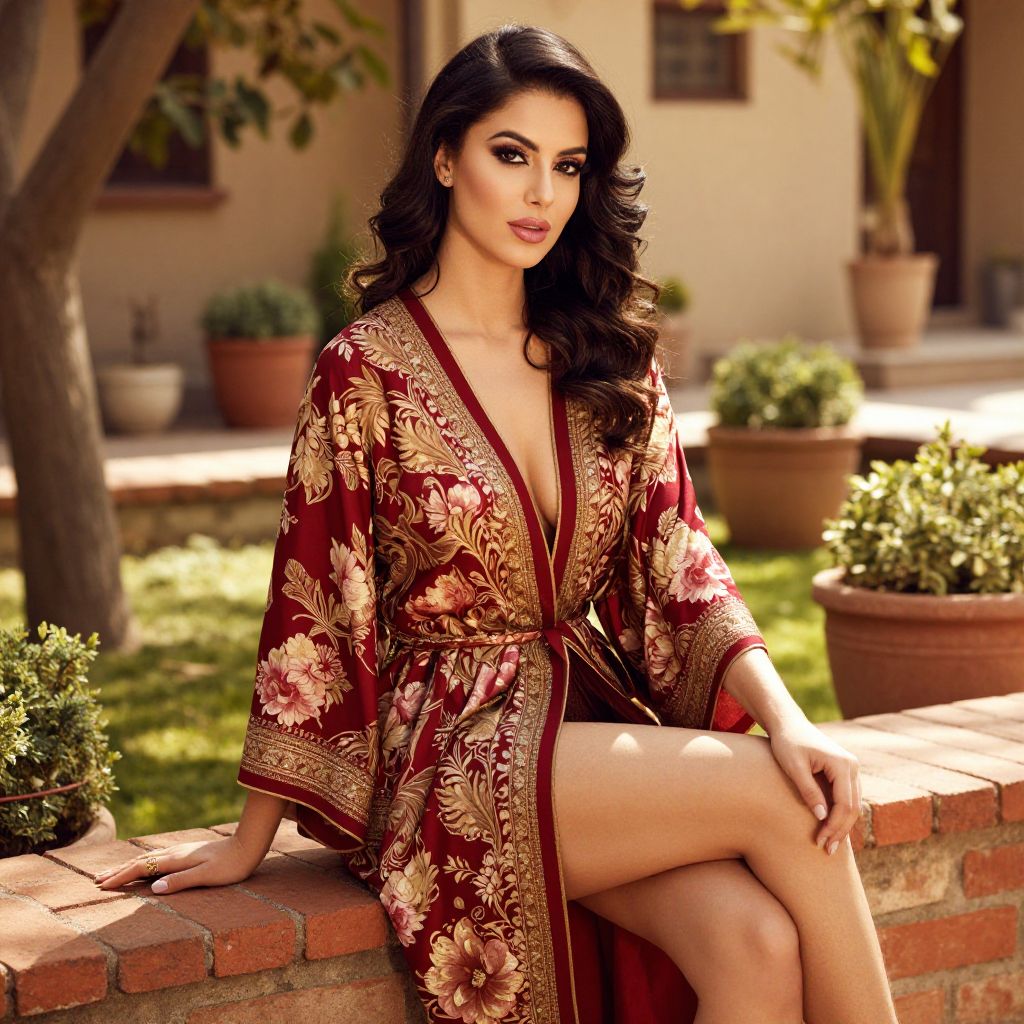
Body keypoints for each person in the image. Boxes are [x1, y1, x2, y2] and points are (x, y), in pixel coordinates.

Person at [93, 24, 900, 1024]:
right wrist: (249, 839)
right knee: (788, 801)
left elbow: (679, 556)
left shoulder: (603, 351)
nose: (540, 195)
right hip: (445, 744)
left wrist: (786, 716)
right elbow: (315, 600)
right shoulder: (366, 368)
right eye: (510, 155)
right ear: (445, 156)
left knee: (755, 944)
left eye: (566, 167)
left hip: (582, 721)